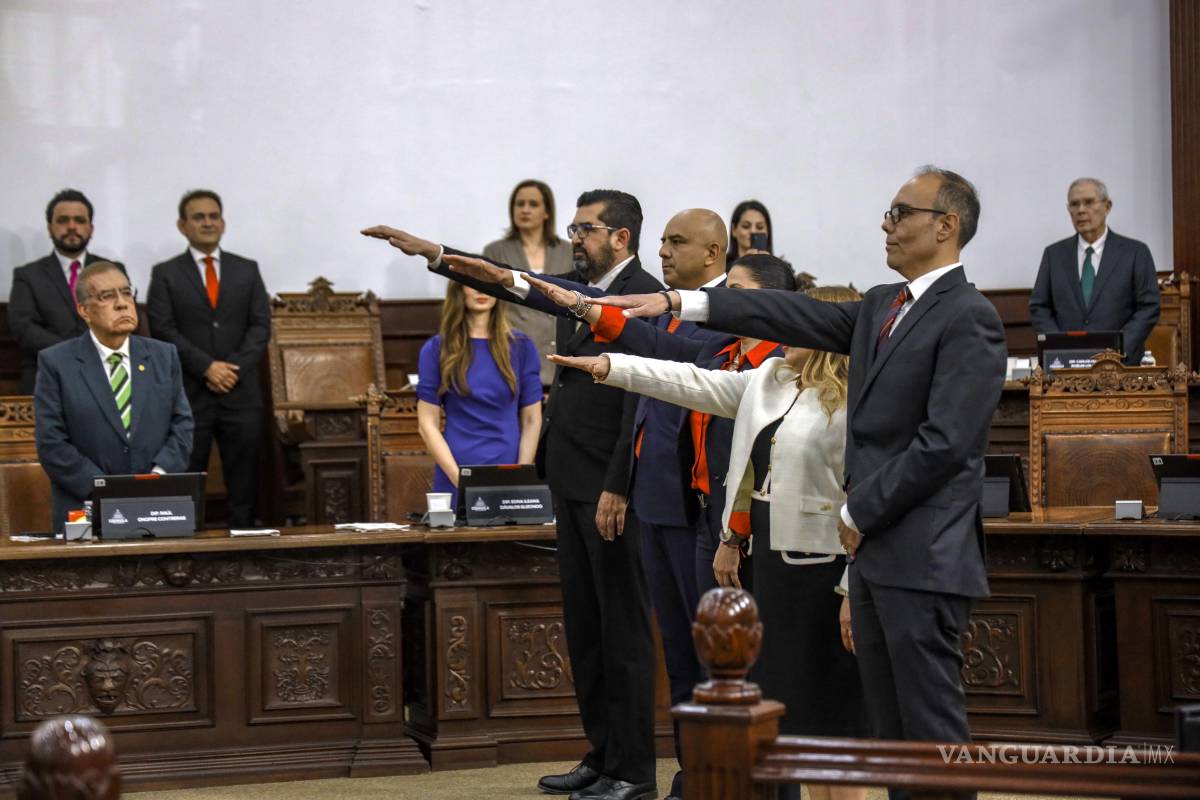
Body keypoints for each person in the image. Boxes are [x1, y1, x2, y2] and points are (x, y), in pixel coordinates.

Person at [595, 166, 1008, 800]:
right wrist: (684, 301)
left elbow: (947, 445)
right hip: (875, 559)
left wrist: (858, 511)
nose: (885, 224)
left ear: (946, 225)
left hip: (922, 558)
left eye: (900, 212)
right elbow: (785, 310)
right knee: (893, 742)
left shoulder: (970, 316)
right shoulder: (882, 306)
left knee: (928, 738)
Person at [363, 189, 662, 800]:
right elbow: (509, 279)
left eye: (585, 230)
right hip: (571, 483)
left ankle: (634, 771)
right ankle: (603, 756)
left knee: (623, 633)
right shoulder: (577, 291)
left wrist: (618, 486)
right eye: (574, 229)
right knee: (586, 628)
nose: (574, 238)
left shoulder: (643, 295)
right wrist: (438, 254)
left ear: (620, 238)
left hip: (612, 491)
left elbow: (641, 403)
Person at [550, 284, 867, 800]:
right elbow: (692, 383)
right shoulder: (770, 380)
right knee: (795, 725)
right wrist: (612, 368)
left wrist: (856, 589)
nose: (781, 331)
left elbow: (866, 505)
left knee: (833, 730)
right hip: (772, 571)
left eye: (798, 322)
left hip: (825, 576)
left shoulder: (859, 401)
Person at [34, 262, 193, 533]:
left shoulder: (163, 356)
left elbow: (182, 425)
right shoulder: (57, 363)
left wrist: (157, 478)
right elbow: (51, 443)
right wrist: (105, 490)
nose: (122, 304)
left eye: (127, 293)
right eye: (107, 296)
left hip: (156, 506)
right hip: (85, 509)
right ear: (84, 310)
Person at [146, 190, 271, 527]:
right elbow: (163, 328)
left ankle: (244, 547)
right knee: (187, 477)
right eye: (198, 217)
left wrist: (233, 368)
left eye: (213, 216)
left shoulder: (247, 269)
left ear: (223, 222)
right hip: (190, 393)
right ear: (182, 225)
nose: (207, 222)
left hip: (241, 391)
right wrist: (206, 367)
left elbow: (260, 326)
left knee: (244, 480)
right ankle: (187, 548)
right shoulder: (165, 274)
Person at [416, 280, 542, 504]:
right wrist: (459, 479)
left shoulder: (522, 346)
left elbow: (532, 419)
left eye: (488, 284)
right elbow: (427, 423)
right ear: (458, 289)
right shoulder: (437, 348)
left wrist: (521, 475)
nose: (481, 289)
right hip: (456, 467)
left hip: (509, 466)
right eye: (472, 283)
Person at [1029, 177, 1160, 366]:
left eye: (1089, 202)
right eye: (1074, 204)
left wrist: (1118, 348)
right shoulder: (1054, 255)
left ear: (1107, 207)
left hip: (1121, 366)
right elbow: (1039, 307)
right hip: (1066, 366)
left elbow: (1149, 307)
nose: (1081, 210)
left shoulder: (1135, 253)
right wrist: (1060, 346)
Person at [8, 189, 125, 394]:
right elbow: (23, 327)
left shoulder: (112, 271)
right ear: (50, 228)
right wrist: (76, 353)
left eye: (79, 220)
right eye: (63, 220)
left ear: (91, 228)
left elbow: (122, 318)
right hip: (45, 374)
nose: (72, 227)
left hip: (105, 373)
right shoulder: (28, 275)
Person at [483, 179, 574, 385]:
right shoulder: (495, 251)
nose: (525, 210)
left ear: (547, 212)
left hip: (559, 351)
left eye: (533, 204)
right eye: (519, 204)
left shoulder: (568, 252)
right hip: (513, 350)